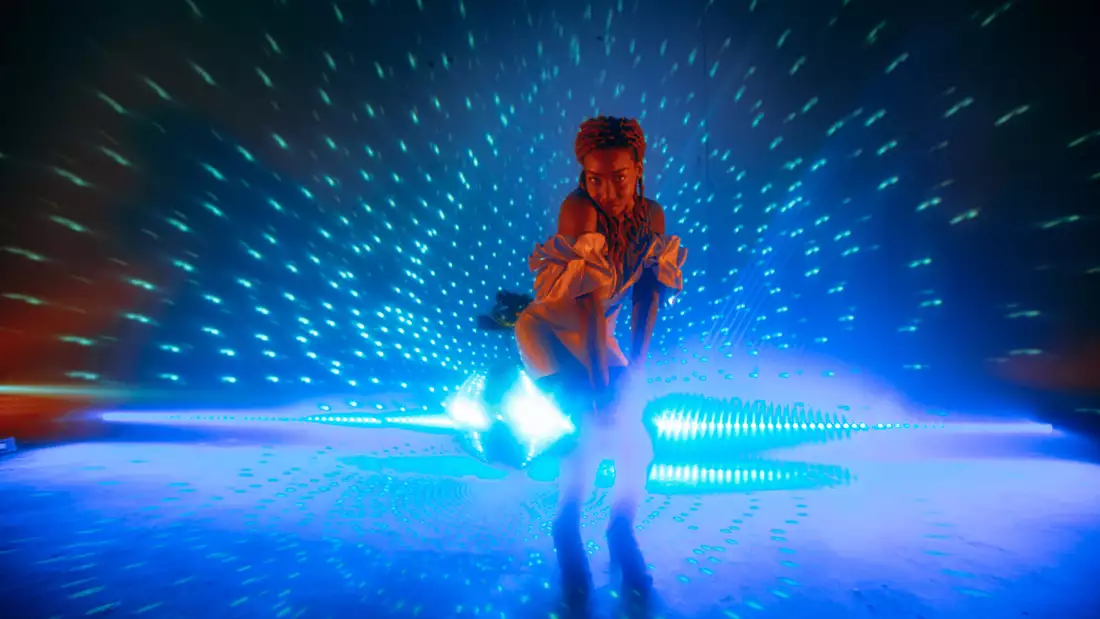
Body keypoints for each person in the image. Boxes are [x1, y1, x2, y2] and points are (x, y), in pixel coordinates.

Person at [514, 116, 687, 614]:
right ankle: (567, 526)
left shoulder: (652, 217)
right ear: (582, 177)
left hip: (598, 333)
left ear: (639, 169)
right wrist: (597, 391)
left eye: (620, 177)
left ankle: (619, 526)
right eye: (594, 178)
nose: (607, 190)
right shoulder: (577, 210)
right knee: (592, 427)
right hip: (548, 331)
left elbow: (647, 299)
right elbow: (587, 307)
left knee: (637, 437)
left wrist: (637, 370)